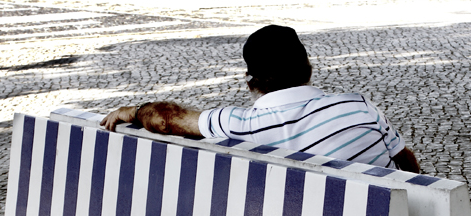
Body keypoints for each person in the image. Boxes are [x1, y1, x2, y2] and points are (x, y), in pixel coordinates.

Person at [100, 25, 420, 173]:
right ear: (307, 66)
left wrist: (133, 110)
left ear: (250, 80)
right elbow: (405, 160)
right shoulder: (358, 106)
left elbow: (169, 119)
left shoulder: (244, 125)